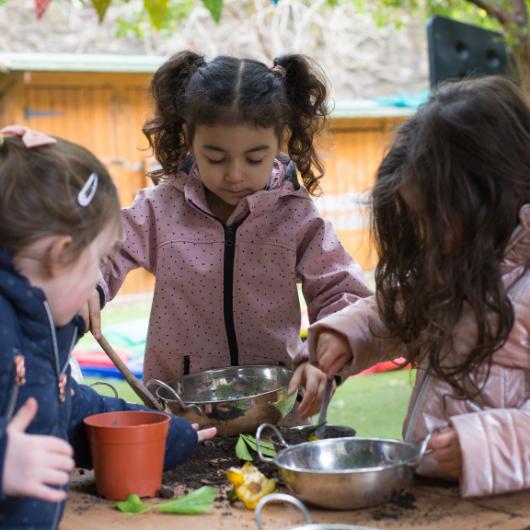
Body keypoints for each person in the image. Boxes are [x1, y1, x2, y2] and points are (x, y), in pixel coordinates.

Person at [85, 51, 372, 419]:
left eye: (254, 159)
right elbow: (107, 250)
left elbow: (342, 292)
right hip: (178, 412)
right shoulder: (161, 208)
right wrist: (89, 285)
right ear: (189, 139)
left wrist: (322, 358)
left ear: (281, 139)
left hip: (273, 412)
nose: (235, 175)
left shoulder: (296, 217)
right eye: (216, 158)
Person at [309, 76, 530, 497]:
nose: (424, 236)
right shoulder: (458, 262)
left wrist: (482, 446)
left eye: (432, 218)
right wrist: (347, 333)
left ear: (489, 197)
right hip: (437, 490)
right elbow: (402, 306)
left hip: (511, 500)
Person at [0, 125, 215, 529]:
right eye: (97, 262)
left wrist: (167, 436)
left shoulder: (44, 330)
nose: (97, 283)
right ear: (60, 255)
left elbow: (71, 411)